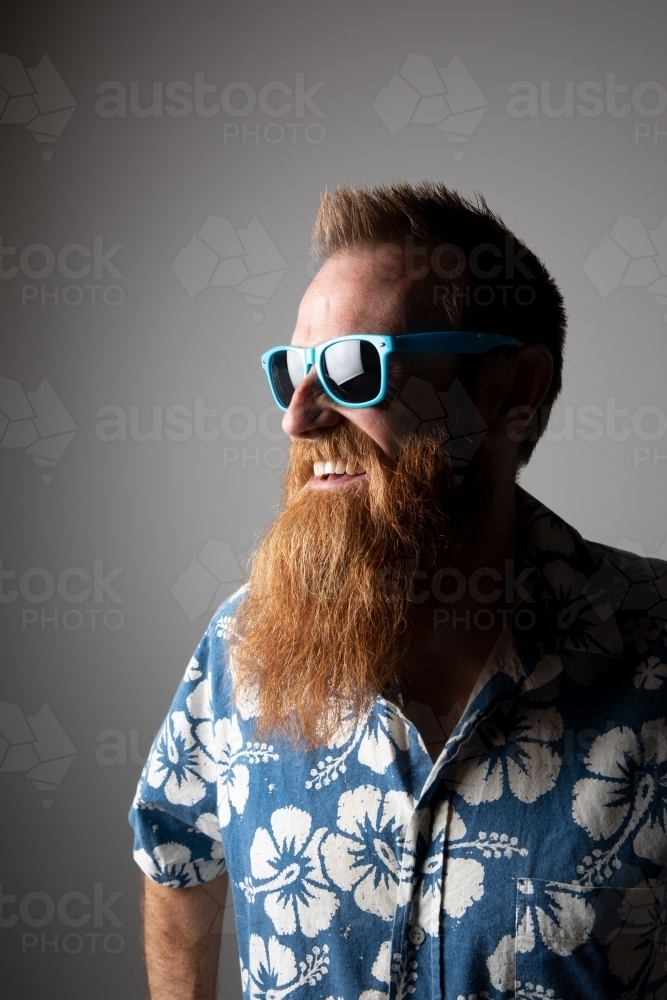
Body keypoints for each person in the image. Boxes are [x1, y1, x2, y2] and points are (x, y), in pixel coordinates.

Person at [130, 183, 667, 1000]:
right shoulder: (242, 645)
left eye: (353, 367)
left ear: (509, 392)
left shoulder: (655, 649)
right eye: (293, 370)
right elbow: (177, 857)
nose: (299, 417)